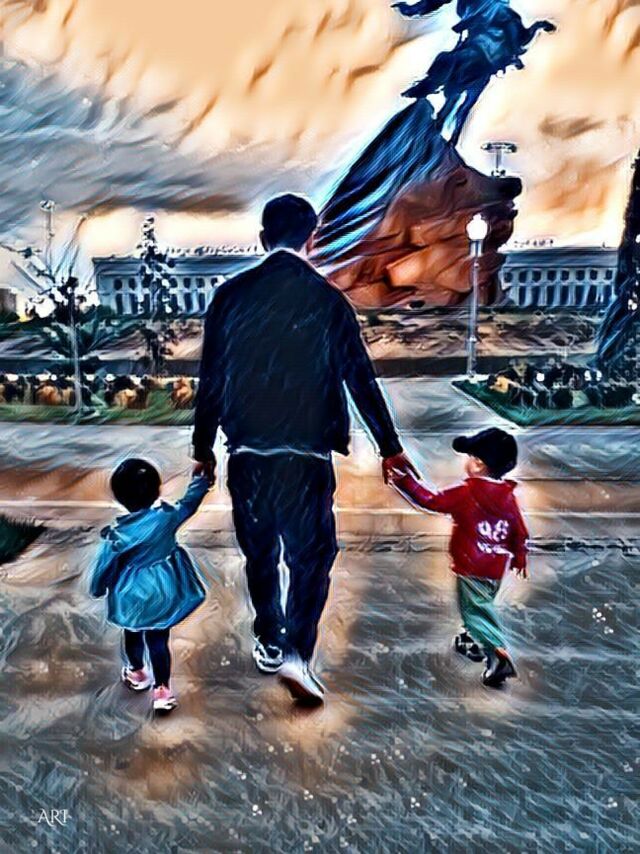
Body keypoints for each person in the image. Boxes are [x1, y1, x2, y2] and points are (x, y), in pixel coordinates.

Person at [192, 193, 415, 704]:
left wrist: (203, 448)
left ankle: (269, 637)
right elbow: (360, 378)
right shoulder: (328, 300)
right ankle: (297, 654)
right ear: (311, 239)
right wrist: (390, 447)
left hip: (248, 453)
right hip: (307, 457)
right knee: (311, 557)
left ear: (263, 239)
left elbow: (212, 380)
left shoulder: (229, 297)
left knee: (260, 553)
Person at [389, 428, 529, 688]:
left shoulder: (467, 492)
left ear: (478, 464)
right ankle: (471, 641)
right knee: (482, 604)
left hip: (472, 566)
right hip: (496, 566)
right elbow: (519, 530)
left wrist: (404, 482)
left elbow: (431, 500)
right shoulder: (507, 496)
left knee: (474, 610)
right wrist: (519, 556)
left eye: (471, 456)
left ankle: (497, 654)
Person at [90, 459, 211, 713]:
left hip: (130, 595)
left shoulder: (118, 534)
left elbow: (104, 566)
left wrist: (98, 587)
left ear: (119, 497)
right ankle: (162, 690)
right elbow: (189, 503)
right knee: (158, 640)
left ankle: (137, 672)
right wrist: (201, 481)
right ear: (157, 490)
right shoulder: (166, 518)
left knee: (132, 633)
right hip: (162, 592)